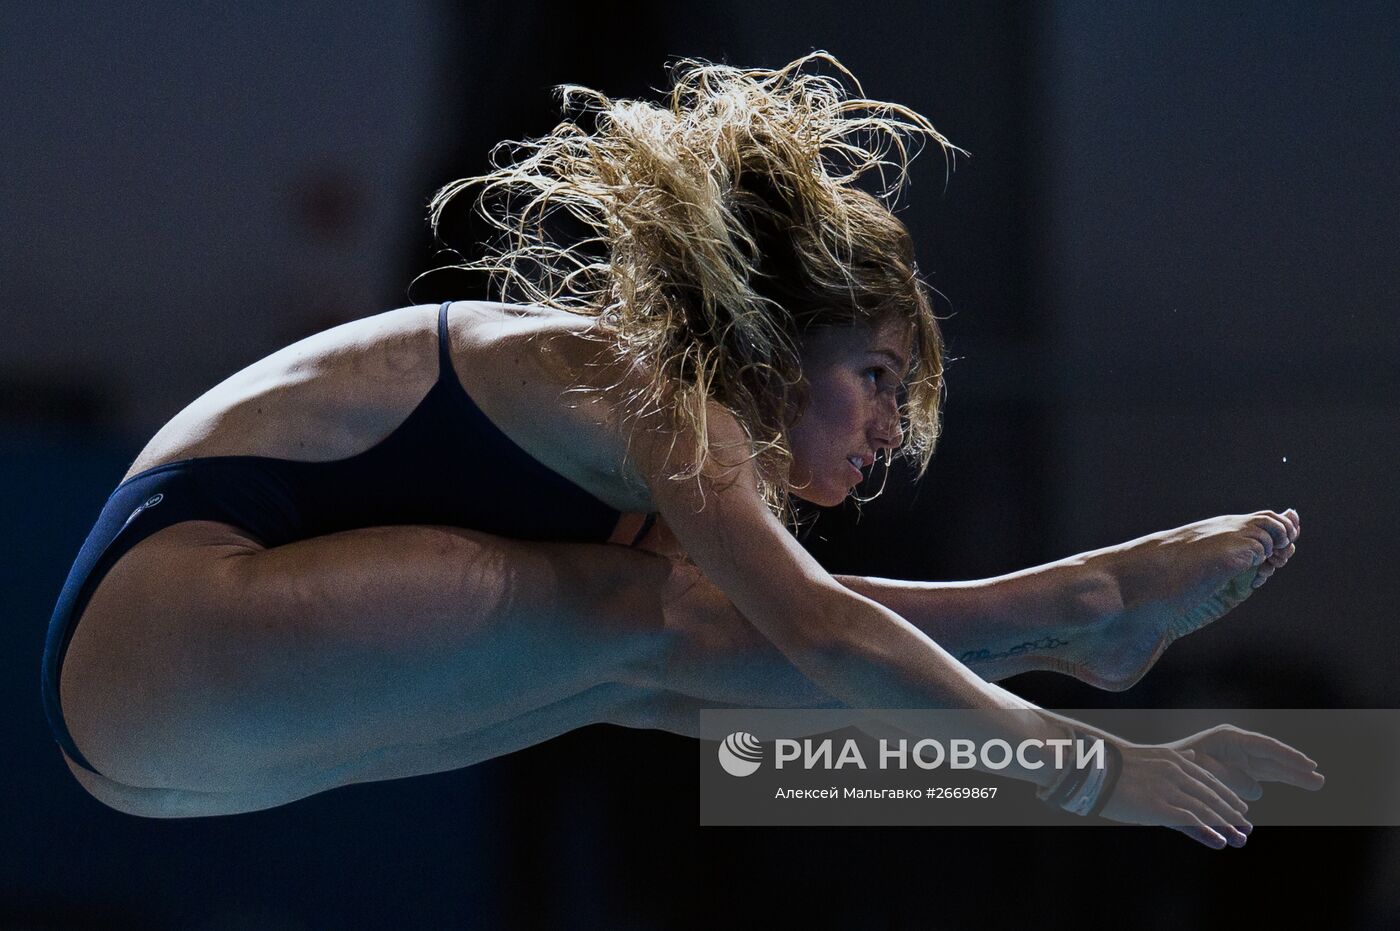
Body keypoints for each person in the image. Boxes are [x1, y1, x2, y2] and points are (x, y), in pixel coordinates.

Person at [42, 53, 1321, 845]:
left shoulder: (652, 471)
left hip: (168, 746)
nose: (885, 428)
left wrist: (1013, 759)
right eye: (872, 378)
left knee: (659, 662)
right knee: (652, 625)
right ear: (772, 343)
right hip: (159, 630)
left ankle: (1072, 622)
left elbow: (780, 673)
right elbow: (819, 632)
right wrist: (1096, 778)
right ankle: (1074, 611)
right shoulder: (653, 389)